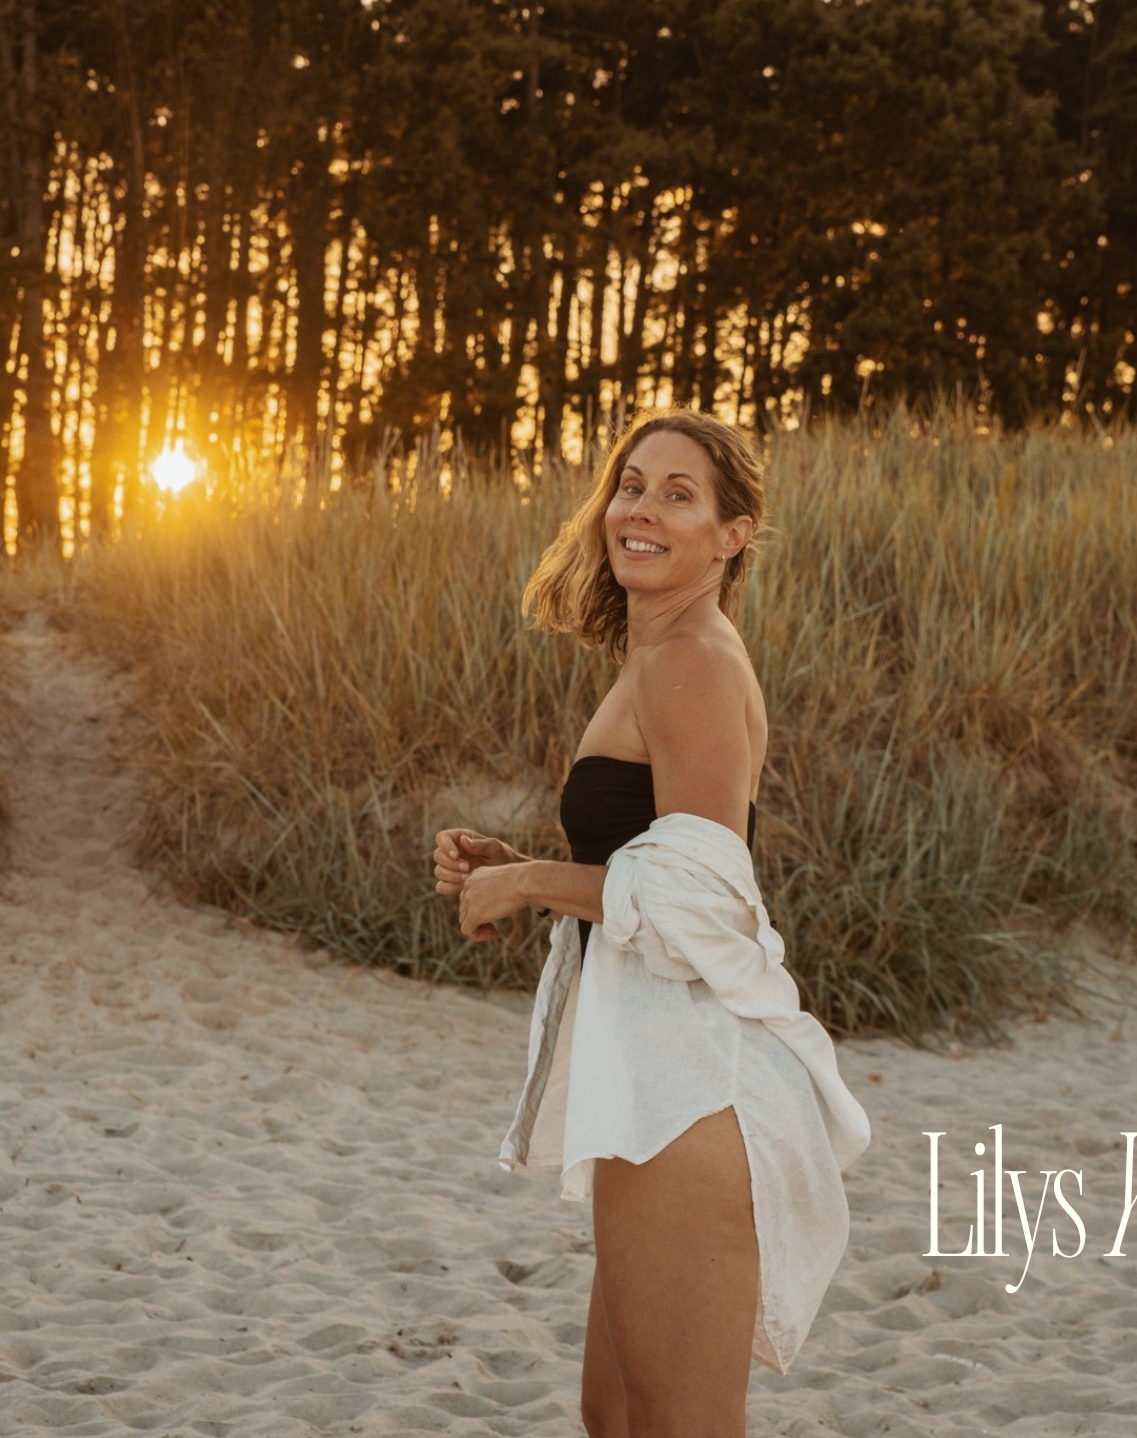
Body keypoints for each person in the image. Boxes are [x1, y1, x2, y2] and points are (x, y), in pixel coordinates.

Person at [431, 408, 869, 1438]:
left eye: (679, 495)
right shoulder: (660, 655)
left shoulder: (694, 662)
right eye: (631, 485)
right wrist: (520, 867)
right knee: (615, 1414)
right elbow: (652, 867)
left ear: (731, 536)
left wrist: (531, 881)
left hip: (692, 1089)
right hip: (648, 1075)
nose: (642, 510)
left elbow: (701, 900)